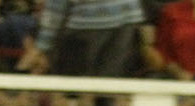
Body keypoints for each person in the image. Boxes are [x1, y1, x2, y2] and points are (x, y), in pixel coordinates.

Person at [16, 0, 149, 76]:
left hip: (90, 21)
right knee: (110, 80)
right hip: (128, 14)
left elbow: (56, 9)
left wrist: (41, 47)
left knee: (78, 82)